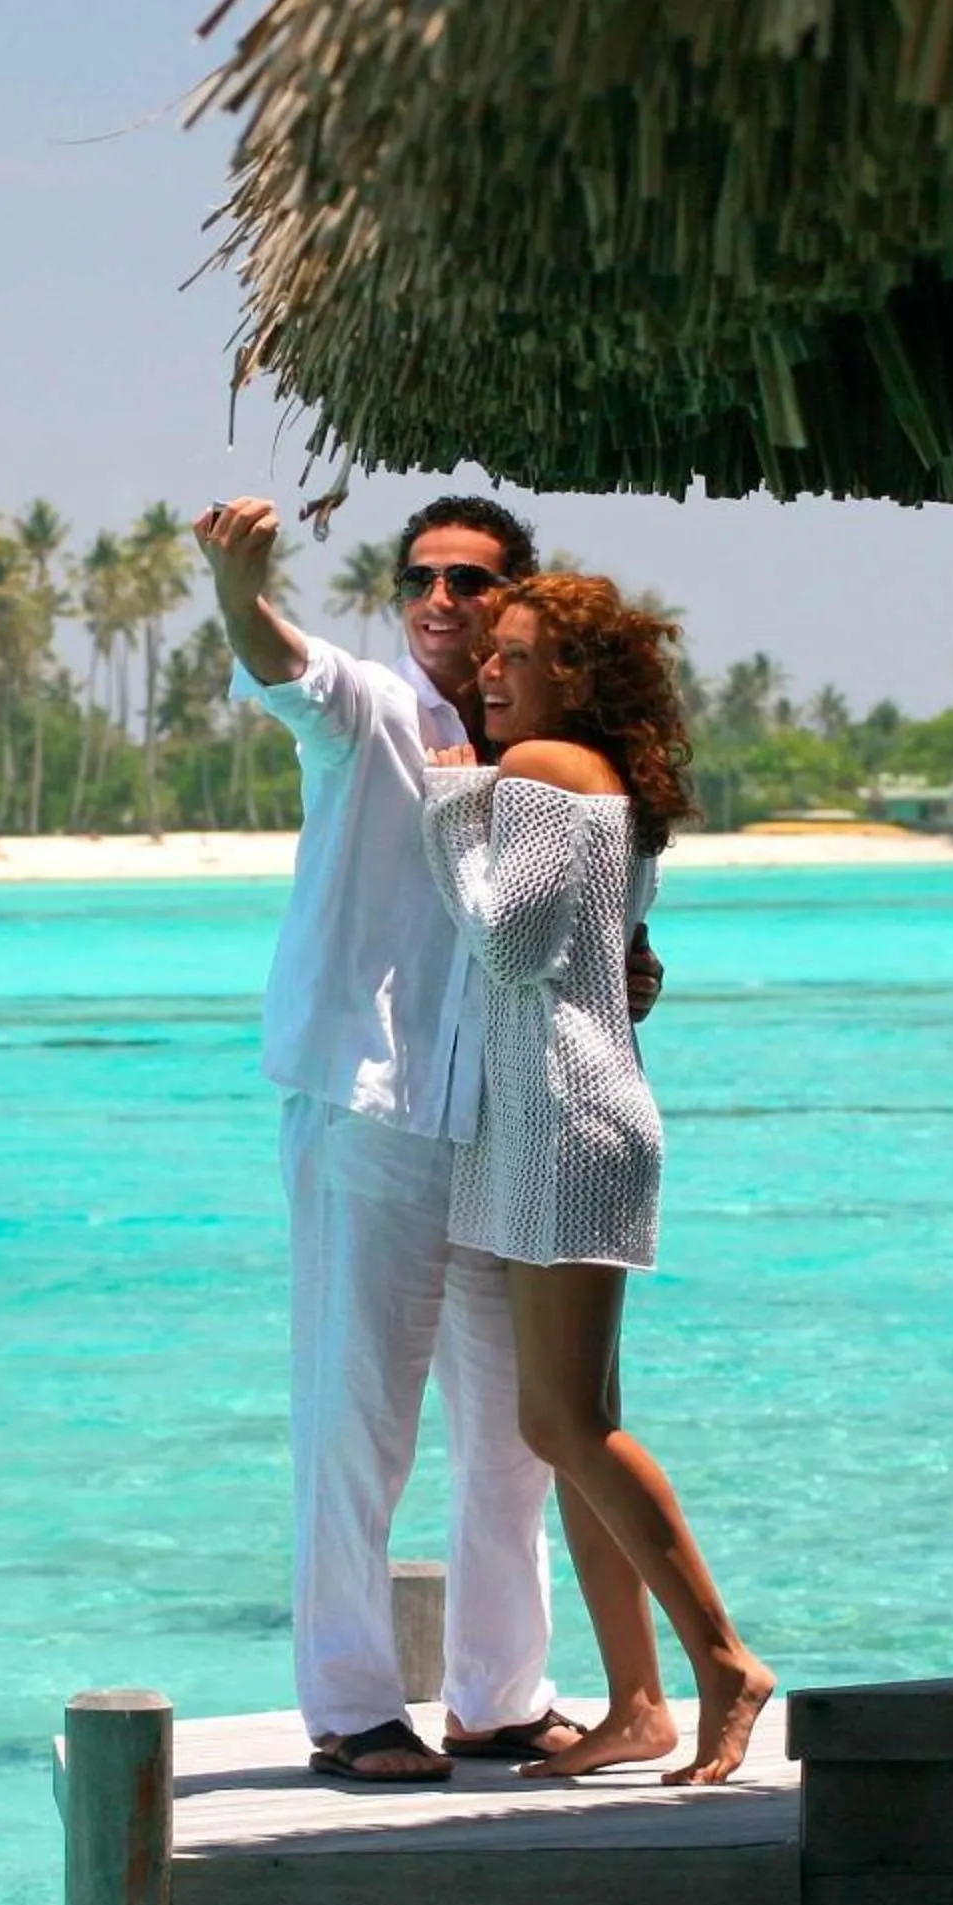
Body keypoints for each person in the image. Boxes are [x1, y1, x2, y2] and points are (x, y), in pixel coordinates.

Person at [195, 494, 668, 1785]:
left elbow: (561, 929)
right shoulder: (373, 712)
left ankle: (500, 1697)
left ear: (517, 597)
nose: (443, 599)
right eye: (422, 576)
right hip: (373, 1102)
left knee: (513, 1431)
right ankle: (350, 1704)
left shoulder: (541, 748)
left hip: (500, 1124)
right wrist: (237, 582)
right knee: (358, 1415)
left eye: (472, 580)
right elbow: (280, 661)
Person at [419, 571, 773, 1784]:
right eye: (493, 656)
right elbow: (605, 957)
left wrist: (455, 799)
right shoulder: (590, 779)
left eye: (516, 655)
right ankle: (637, 1704)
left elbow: (509, 941)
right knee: (571, 1426)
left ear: (574, 678)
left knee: (563, 1419)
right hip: (557, 1116)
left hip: (565, 1119)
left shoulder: (540, 774)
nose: (491, 671)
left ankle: (722, 1663)